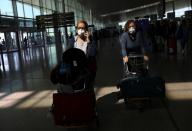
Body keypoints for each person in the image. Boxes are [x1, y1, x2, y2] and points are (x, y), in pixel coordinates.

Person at [69, 20, 97, 89]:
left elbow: (92, 53)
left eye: (83, 28)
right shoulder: (73, 40)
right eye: (79, 28)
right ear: (76, 29)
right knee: (77, 89)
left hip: (89, 69)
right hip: (76, 70)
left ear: (86, 30)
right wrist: (75, 65)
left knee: (88, 89)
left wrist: (89, 41)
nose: (80, 29)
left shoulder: (91, 39)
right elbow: (69, 55)